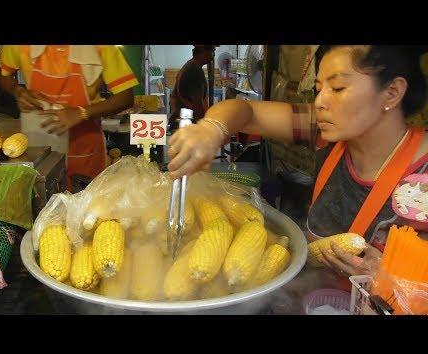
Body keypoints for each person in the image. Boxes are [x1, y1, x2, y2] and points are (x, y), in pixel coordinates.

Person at [167, 45, 428, 282]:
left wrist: (392, 280)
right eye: (318, 89)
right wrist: (212, 129)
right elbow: (247, 112)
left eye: (337, 88)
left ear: (392, 92)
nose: (320, 102)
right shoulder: (325, 131)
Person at [0, 45, 139, 191]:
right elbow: (2, 74)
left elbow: (126, 97)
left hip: (85, 146)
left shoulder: (101, 48)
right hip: (40, 148)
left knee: (87, 208)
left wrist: (82, 112)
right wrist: (17, 91)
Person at [168, 45, 217, 130]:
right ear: (203, 51)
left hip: (182, 121)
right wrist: (203, 128)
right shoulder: (195, 70)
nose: (214, 55)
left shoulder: (190, 66)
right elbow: (198, 105)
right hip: (188, 124)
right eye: (213, 51)